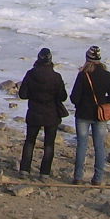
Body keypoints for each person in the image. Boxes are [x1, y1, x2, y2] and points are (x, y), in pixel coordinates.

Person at [69, 45, 110, 185]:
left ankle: (78, 177)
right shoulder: (107, 75)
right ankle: (98, 178)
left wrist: (81, 104)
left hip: (83, 114)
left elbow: (74, 97)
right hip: (100, 115)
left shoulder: (83, 75)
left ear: (87, 59)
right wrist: (103, 101)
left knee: (82, 145)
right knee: (99, 146)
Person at [17, 47, 68, 178]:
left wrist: (34, 95)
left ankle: (24, 170)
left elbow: (22, 94)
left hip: (34, 112)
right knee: (49, 144)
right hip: (51, 114)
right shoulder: (56, 77)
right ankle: (44, 173)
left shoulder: (30, 74)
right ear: (50, 61)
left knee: (29, 141)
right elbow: (63, 97)